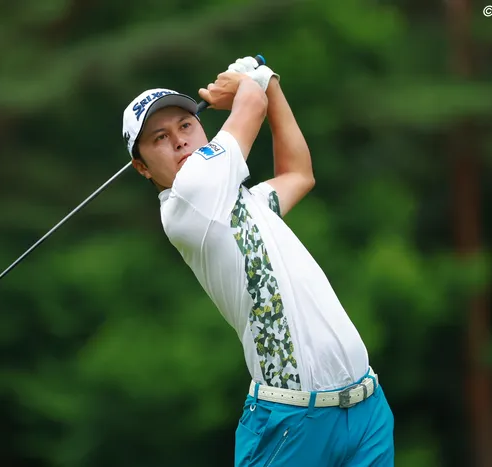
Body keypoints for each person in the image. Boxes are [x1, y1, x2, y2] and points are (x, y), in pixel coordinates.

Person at [121, 57, 395, 466]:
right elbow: (250, 105)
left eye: (185, 125)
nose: (179, 141)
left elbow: (298, 174)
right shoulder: (189, 199)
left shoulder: (239, 201)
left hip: (366, 409)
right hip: (291, 423)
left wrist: (270, 84)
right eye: (160, 137)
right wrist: (246, 82)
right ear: (141, 167)